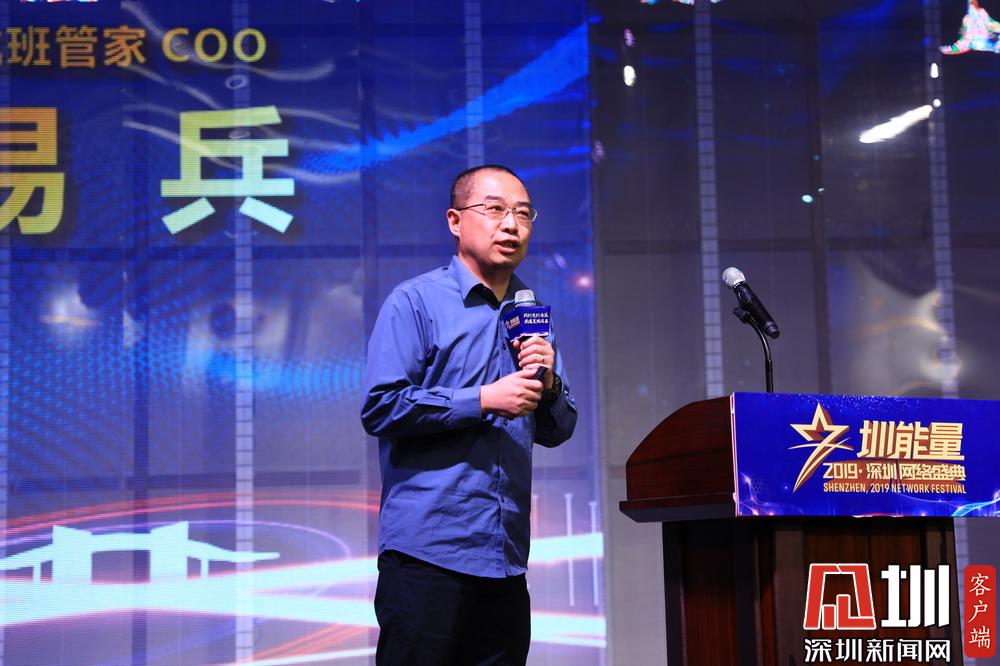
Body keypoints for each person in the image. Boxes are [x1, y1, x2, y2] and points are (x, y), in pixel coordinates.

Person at [361, 164, 578, 665]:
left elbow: (559, 429)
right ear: (455, 221)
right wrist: (482, 399)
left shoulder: (531, 312)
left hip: (505, 558)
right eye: (495, 209)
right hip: (427, 554)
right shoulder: (415, 302)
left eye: (523, 213)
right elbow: (381, 406)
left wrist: (548, 385)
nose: (511, 224)